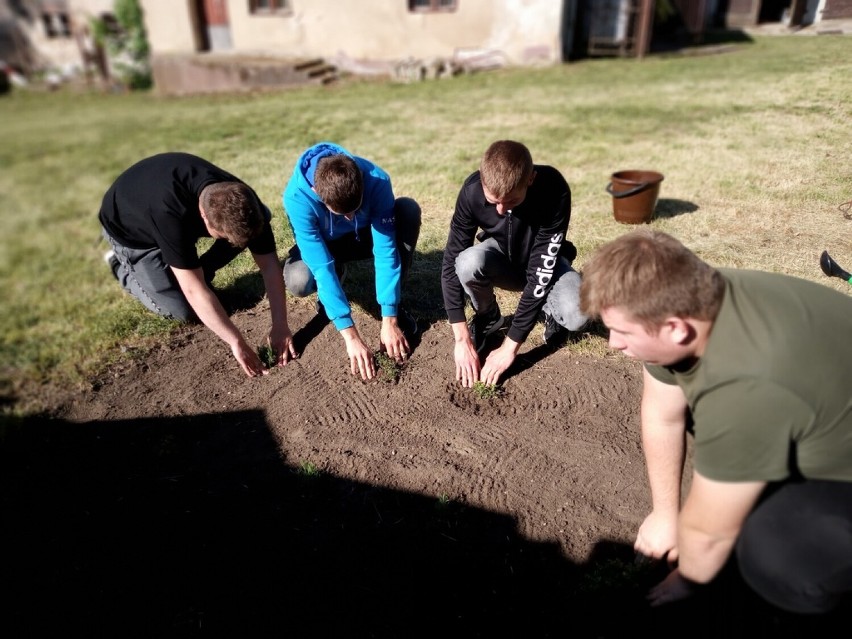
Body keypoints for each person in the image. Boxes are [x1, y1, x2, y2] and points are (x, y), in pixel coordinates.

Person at [579, 229, 852, 616]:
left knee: (773, 556)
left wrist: (688, 578)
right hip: (813, 401)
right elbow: (663, 412)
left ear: (676, 328)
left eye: (622, 332)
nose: (612, 343)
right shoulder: (689, 296)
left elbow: (707, 536)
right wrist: (665, 513)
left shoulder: (741, 386)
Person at [99, 152, 297, 378]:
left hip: (160, 199)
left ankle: (201, 268)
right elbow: (194, 290)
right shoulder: (170, 217)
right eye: (221, 236)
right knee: (182, 309)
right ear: (202, 216)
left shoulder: (243, 201)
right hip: (131, 231)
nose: (229, 244)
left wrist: (280, 324)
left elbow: (270, 266)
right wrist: (236, 342)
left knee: (251, 230)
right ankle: (119, 266)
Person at [441, 140, 588, 388]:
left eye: (510, 202)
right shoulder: (472, 191)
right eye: (492, 201)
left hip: (544, 264)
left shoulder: (554, 189)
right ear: (482, 180)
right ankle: (489, 317)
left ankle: (550, 311)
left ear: (530, 179)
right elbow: (449, 262)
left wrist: (510, 347)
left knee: (577, 315)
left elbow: (540, 274)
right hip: (501, 257)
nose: (499, 210)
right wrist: (461, 338)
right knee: (466, 262)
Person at [282, 142, 421, 381]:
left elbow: (385, 251)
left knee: (407, 210)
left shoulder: (376, 179)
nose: (350, 217)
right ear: (317, 192)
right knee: (299, 280)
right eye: (342, 214)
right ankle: (340, 274)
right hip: (326, 245)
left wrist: (389, 317)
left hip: (364, 236)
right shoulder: (297, 198)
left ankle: (396, 302)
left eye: (356, 209)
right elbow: (321, 269)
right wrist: (351, 336)